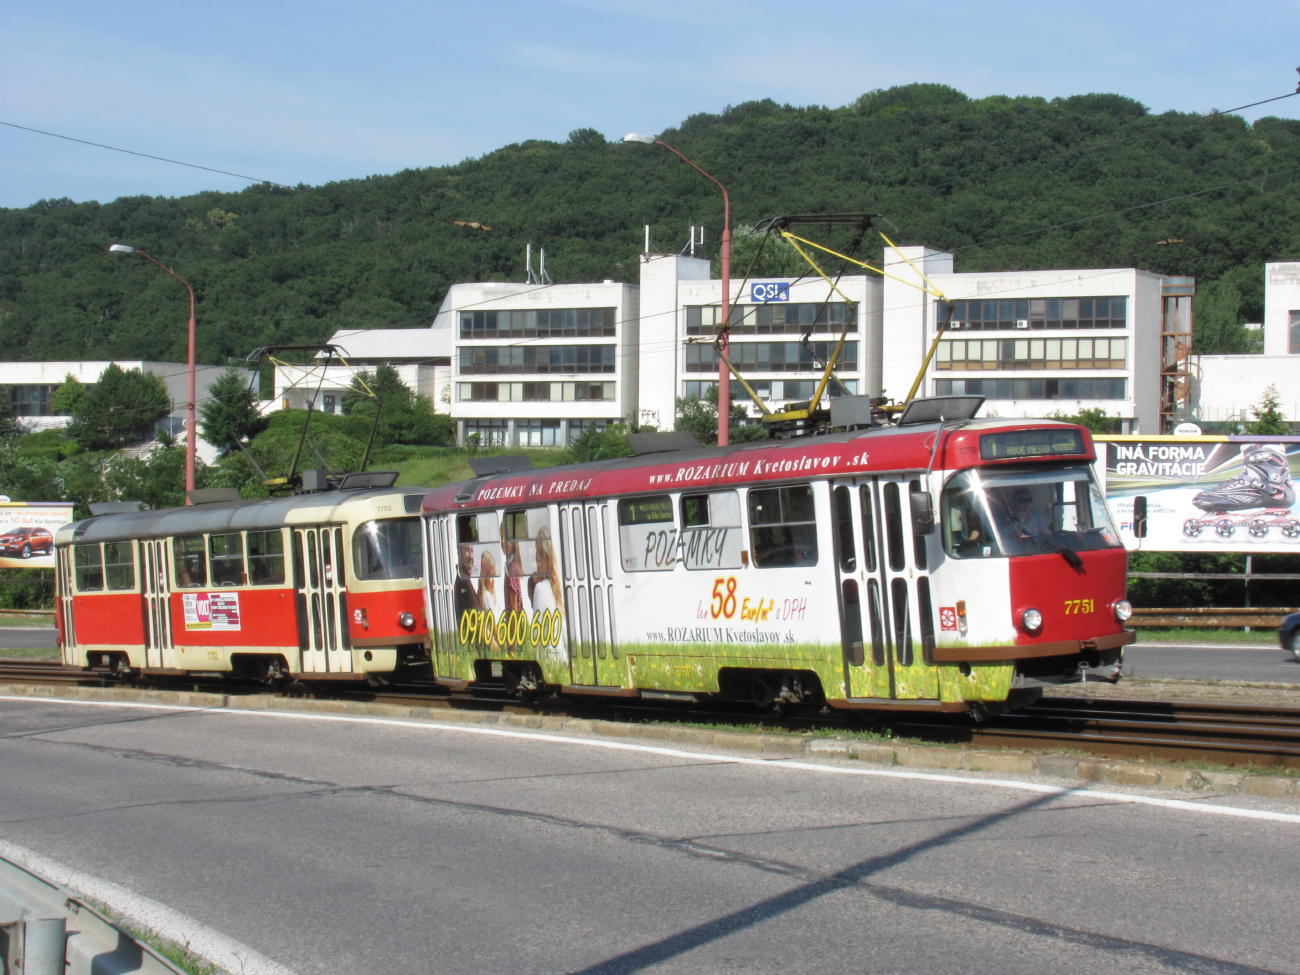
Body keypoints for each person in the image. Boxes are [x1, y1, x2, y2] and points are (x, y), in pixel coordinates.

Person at [527, 527, 565, 658]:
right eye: (537, 552)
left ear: (548, 557)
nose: (537, 558)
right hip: (560, 657)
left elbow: (536, 634)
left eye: (541, 553)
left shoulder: (540, 588)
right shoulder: (556, 586)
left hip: (547, 659)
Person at [454, 543, 480, 619]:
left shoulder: (461, 574)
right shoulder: (463, 579)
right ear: (459, 553)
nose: (471, 557)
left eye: (472, 551)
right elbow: (477, 614)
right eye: (467, 550)